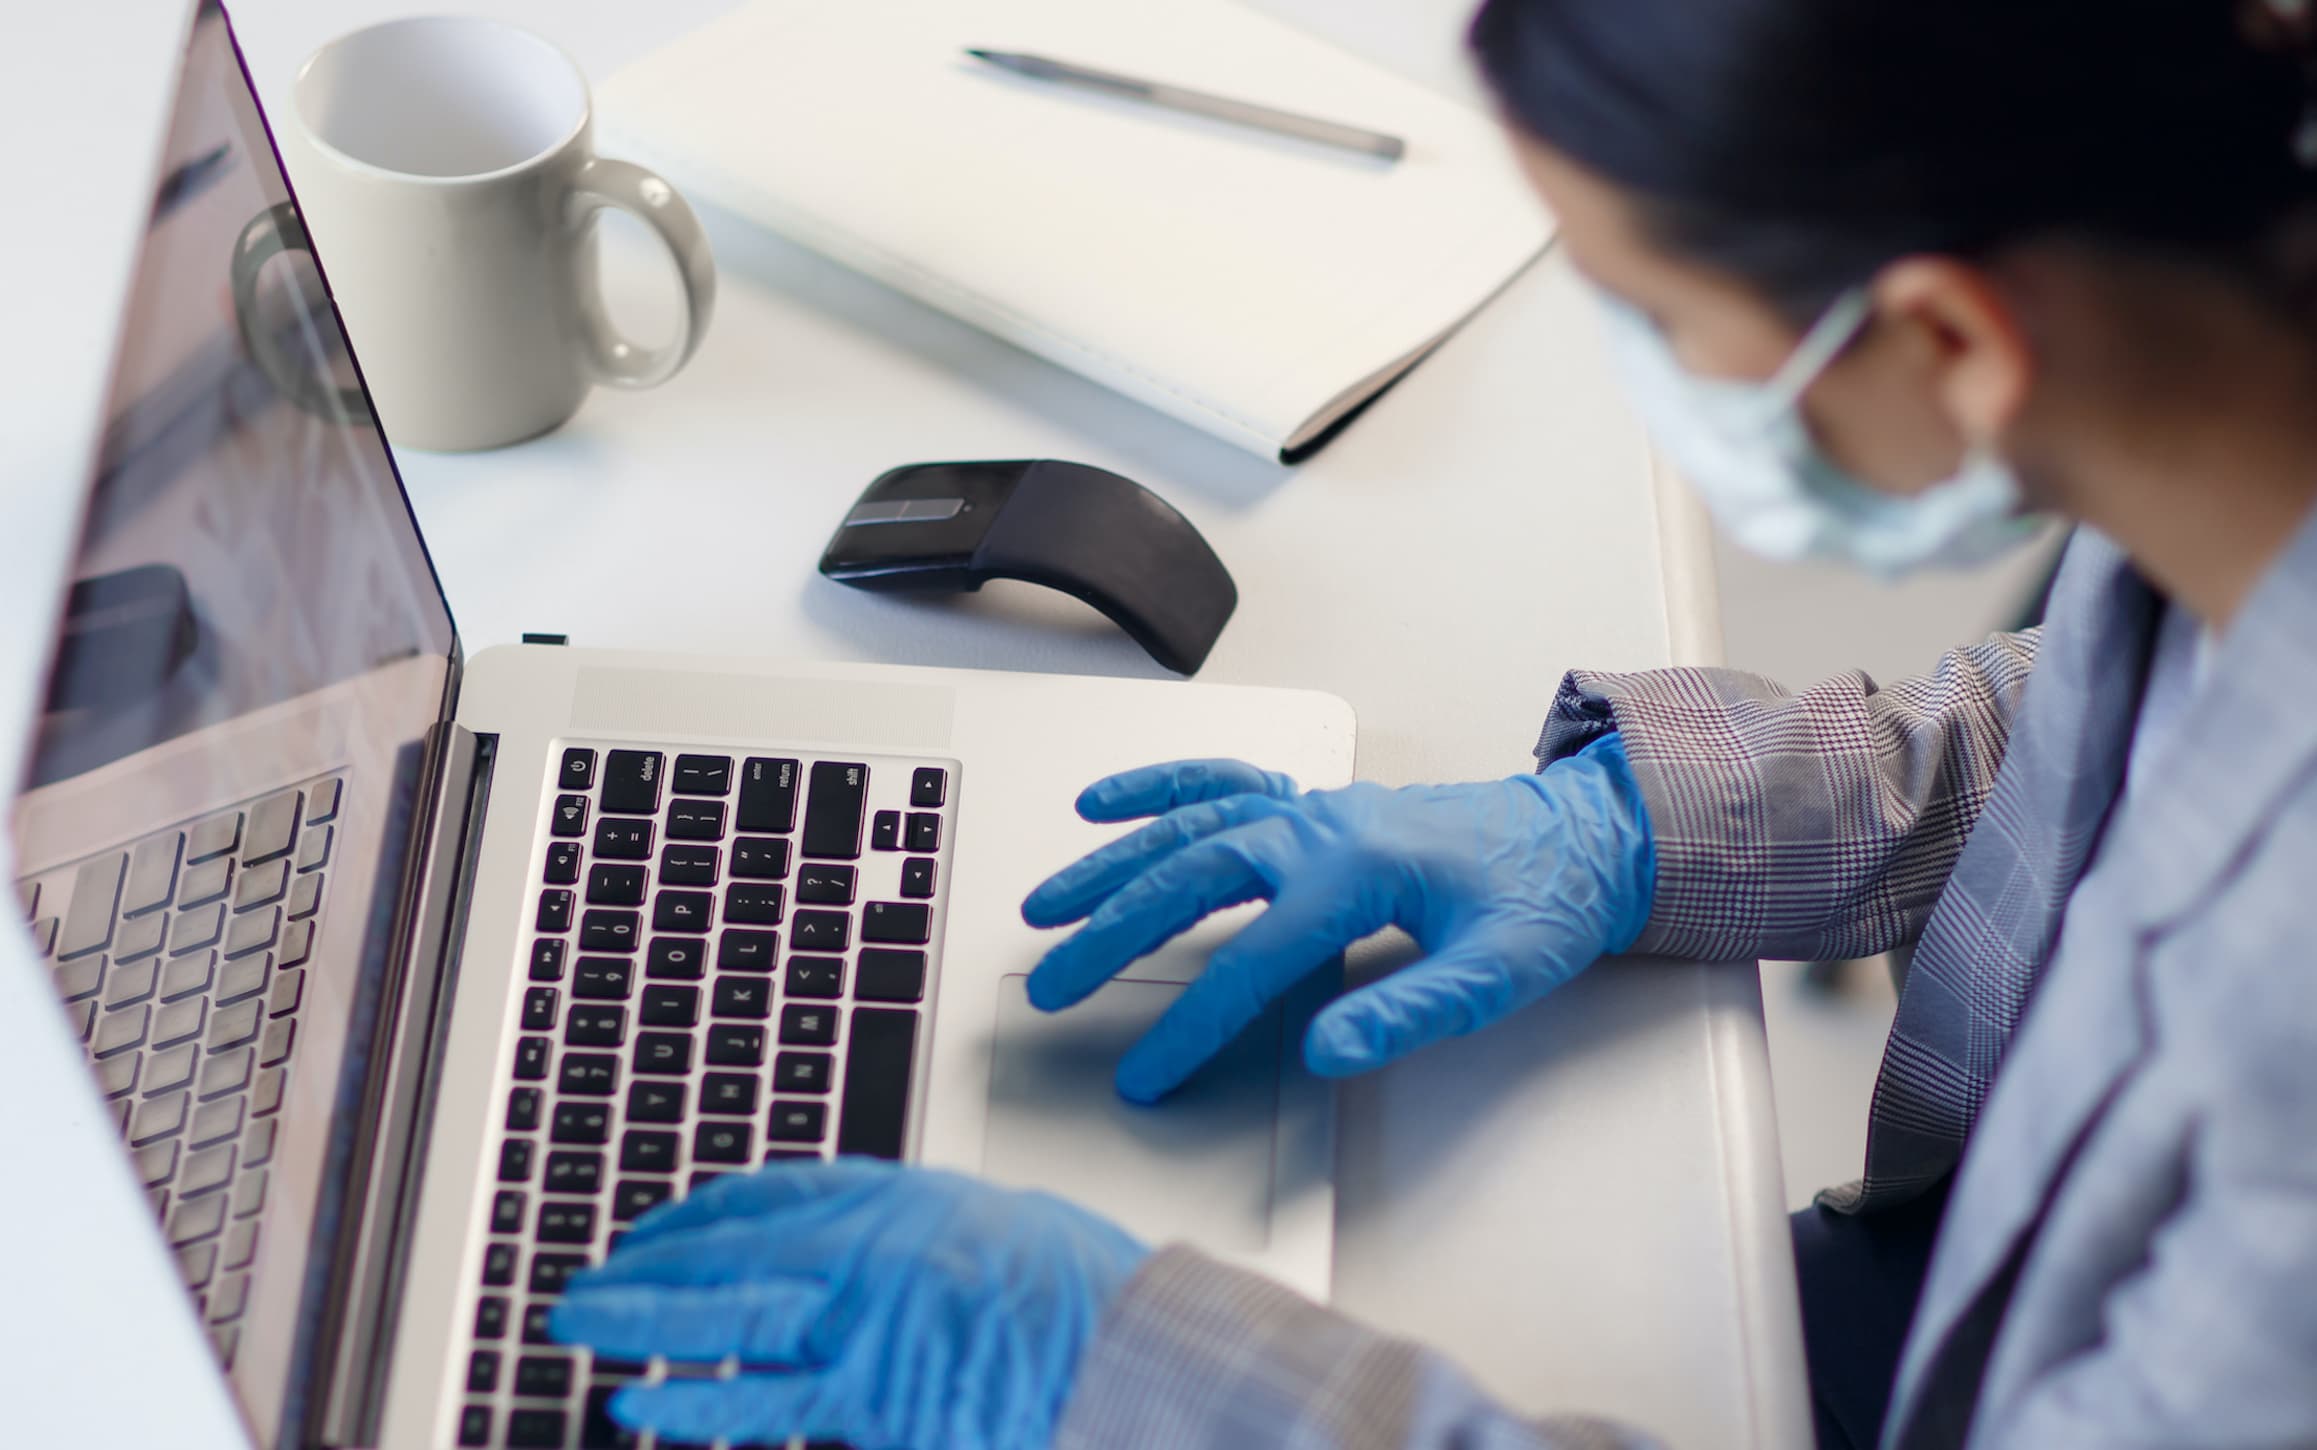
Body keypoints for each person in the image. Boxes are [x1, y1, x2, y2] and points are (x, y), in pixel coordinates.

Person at [550, 0, 2317, 1444]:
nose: (1655, 373)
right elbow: (2107, 729)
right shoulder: (2231, 366)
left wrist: (1144, 1384)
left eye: (1663, 319)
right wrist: (1637, 821)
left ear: (1947, 336)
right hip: (1978, 1264)